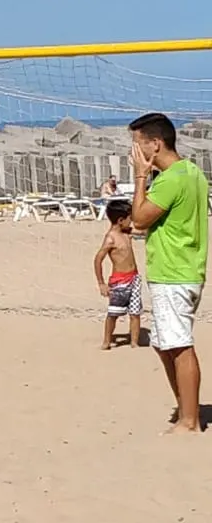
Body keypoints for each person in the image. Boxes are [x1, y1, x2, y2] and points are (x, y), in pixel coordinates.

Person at [130, 111, 209, 433]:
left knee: (179, 345)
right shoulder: (192, 172)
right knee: (164, 343)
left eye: (137, 144)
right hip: (183, 269)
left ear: (155, 144)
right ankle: (186, 407)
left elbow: (139, 219)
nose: (134, 151)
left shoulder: (172, 179)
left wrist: (140, 178)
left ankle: (190, 421)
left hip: (174, 272)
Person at [94, 198, 142, 352]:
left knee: (135, 313)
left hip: (134, 278)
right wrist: (101, 283)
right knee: (114, 313)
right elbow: (98, 259)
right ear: (121, 220)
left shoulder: (127, 232)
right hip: (119, 281)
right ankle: (107, 341)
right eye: (130, 218)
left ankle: (134, 342)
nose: (131, 221)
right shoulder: (110, 238)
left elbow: (143, 231)